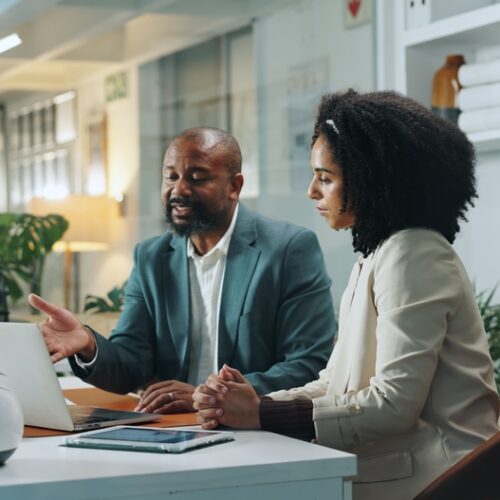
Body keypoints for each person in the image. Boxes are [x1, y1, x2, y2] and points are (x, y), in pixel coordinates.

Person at [193, 91, 500, 499]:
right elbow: (334, 384)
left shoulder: (414, 252)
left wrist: (261, 413)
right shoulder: (377, 256)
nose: (312, 192)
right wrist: (251, 400)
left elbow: (393, 404)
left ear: (371, 181)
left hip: (445, 479)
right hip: (406, 468)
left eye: (325, 177)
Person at [29, 126, 335, 414]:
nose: (179, 189)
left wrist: (208, 395)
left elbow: (307, 364)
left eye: (197, 178)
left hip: (258, 429)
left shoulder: (288, 249)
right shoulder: (152, 257)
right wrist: (87, 342)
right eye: (170, 177)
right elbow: (132, 362)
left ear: (235, 186)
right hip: (172, 429)